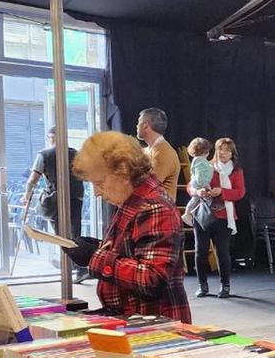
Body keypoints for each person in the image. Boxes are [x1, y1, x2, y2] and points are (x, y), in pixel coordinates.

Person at [65, 131, 191, 322]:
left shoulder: (153, 207)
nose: (97, 192)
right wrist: (97, 247)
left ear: (123, 173)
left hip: (154, 327)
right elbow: (133, 251)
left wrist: (95, 257)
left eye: (99, 183)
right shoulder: (133, 201)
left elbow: (151, 279)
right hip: (135, 319)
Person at [24, 126, 87, 282]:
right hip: (75, 197)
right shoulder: (75, 154)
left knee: (61, 235)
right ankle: (78, 266)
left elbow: (33, 179)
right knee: (74, 233)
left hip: (56, 199)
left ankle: (75, 267)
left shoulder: (44, 154)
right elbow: (84, 175)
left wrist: (27, 195)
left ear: (52, 137)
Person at [187, 137, 244, 298]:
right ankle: (202, 285)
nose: (224, 153)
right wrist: (198, 192)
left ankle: (225, 286)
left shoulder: (236, 171)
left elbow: (240, 192)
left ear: (232, 153)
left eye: (227, 150)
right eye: (221, 149)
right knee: (200, 251)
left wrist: (222, 192)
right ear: (215, 151)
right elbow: (191, 185)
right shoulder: (206, 165)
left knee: (222, 252)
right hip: (203, 213)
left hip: (224, 215)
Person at [136, 107, 179, 199]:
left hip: (159, 211)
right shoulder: (149, 150)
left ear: (145, 125)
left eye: (139, 122)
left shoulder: (163, 153)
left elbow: (146, 186)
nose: (137, 126)